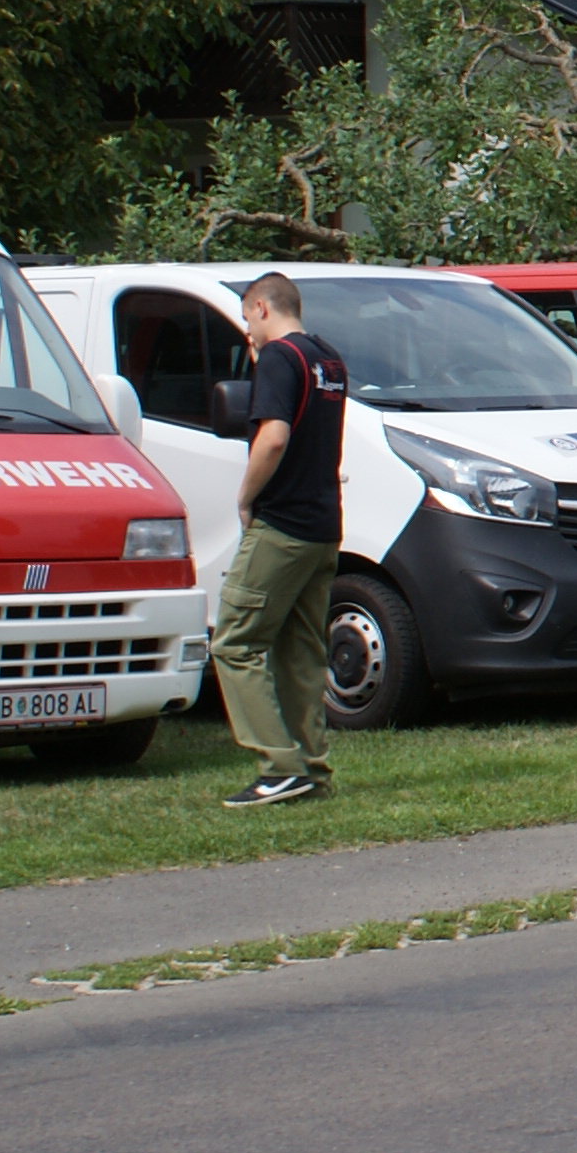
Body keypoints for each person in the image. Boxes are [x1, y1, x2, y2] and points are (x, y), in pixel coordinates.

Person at [213, 272, 348, 808]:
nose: (248, 328)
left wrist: (245, 498)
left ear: (263, 308)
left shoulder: (278, 357)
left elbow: (273, 437)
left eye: (247, 317)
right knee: (300, 652)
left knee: (234, 643)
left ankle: (279, 766)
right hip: (323, 526)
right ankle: (311, 769)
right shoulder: (328, 358)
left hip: (283, 525)